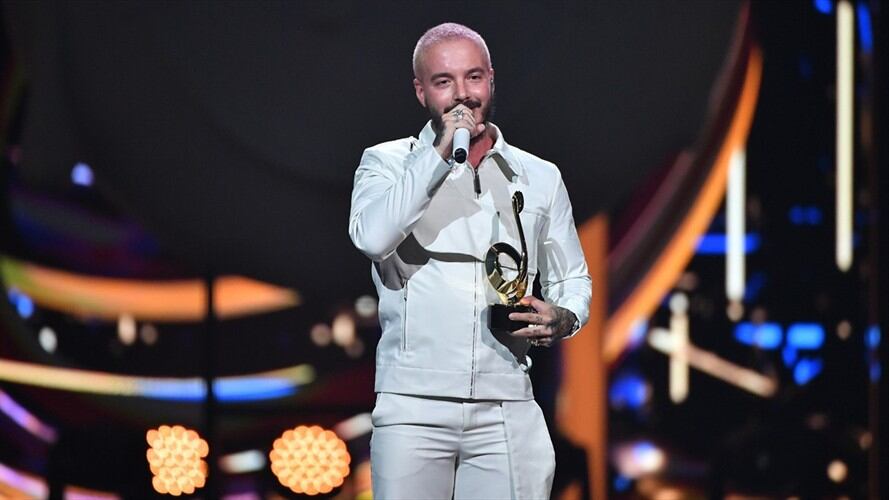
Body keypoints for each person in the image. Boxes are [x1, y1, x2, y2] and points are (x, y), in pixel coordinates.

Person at [348, 22, 592, 500]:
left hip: (507, 405)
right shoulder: (387, 163)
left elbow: (574, 278)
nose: (463, 96)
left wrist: (564, 318)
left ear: (492, 79)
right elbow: (373, 238)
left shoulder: (538, 176)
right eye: (444, 82)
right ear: (421, 91)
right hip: (413, 405)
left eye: (474, 78)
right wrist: (440, 152)